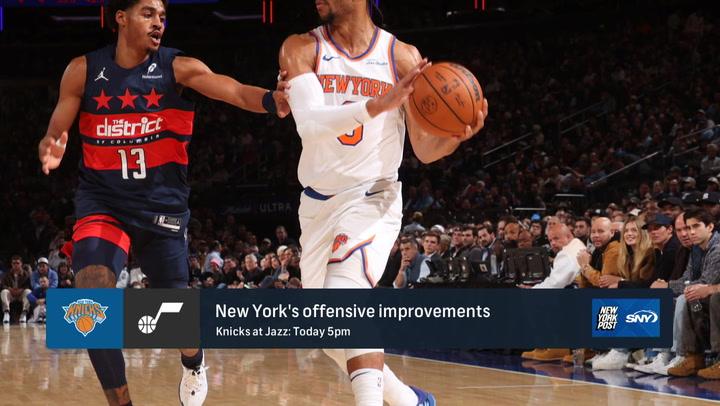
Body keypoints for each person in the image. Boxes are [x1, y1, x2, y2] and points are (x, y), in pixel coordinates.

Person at [36, 1, 289, 404]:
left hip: (161, 207)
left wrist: (269, 100)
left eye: (163, 17)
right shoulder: (83, 71)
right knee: (90, 295)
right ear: (121, 17)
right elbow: (57, 127)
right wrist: (52, 142)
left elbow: (234, 89)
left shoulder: (178, 67)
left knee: (177, 317)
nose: (159, 23)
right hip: (104, 203)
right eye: (148, 14)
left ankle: (193, 363)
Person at [278, 0, 488, 404]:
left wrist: (458, 135)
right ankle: (411, 402)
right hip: (318, 204)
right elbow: (309, 124)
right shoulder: (301, 48)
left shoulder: (401, 56)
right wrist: (379, 104)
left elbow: (425, 150)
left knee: (345, 294)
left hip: (373, 194)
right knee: (328, 335)